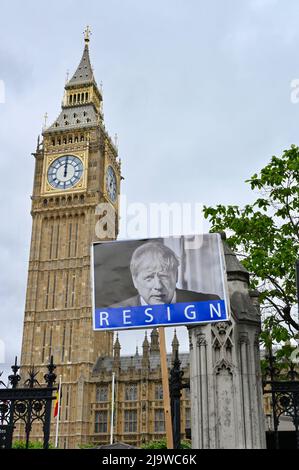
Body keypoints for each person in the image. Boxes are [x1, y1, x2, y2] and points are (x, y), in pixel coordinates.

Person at [110, 241, 219, 308]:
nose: (158, 286)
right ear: (135, 281)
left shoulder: (210, 303)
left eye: (164, 276)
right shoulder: (115, 313)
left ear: (176, 276)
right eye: (149, 278)